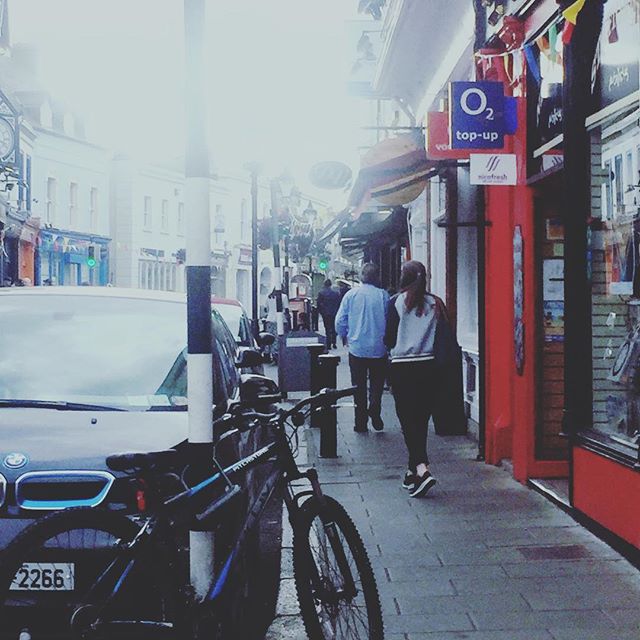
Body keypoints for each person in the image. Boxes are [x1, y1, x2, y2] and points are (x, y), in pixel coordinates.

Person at [384, 260, 446, 497]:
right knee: (420, 421)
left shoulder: (396, 303)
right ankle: (412, 473)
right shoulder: (435, 303)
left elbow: (388, 339)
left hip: (403, 369)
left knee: (408, 422)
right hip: (430, 367)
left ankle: (422, 469)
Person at [335, 263, 389, 432]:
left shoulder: (351, 295)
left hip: (357, 347)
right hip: (379, 348)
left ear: (361, 276)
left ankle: (360, 422)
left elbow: (339, 321)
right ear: (377, 277)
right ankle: (374, 406)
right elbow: (389, 320)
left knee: (357, 385)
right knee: (377, 383)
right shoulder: (383, 296)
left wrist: (344, 334)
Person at [316, 278, 341, 349]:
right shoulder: (336, 293)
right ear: (331, 284)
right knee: (333, 328)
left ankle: (328, 344)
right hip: (334, 313)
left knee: (327, 329)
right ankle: (334, 342)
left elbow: (319, 304)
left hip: (325, 314)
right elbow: (339, 303)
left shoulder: (321, 293)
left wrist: (321, 312)